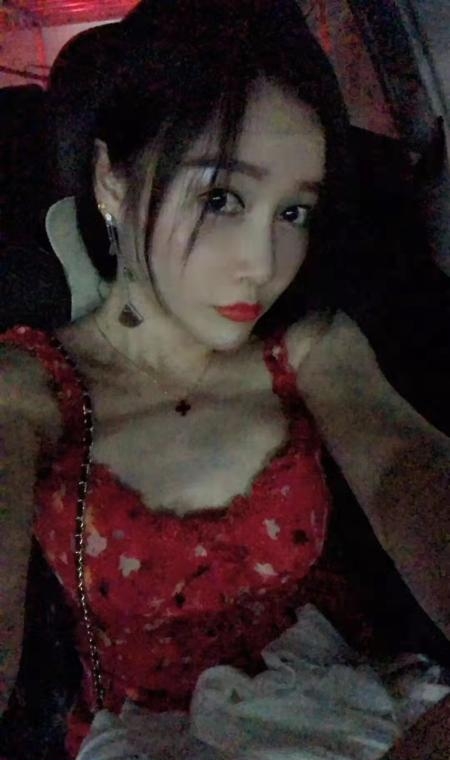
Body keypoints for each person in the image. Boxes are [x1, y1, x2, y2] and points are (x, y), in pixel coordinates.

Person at [0, 1, 449, 758]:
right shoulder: (30, 388)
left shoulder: (308, 348)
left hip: (343, 709)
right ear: (112, 180)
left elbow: (402, 460)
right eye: (221, 198)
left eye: (294, 212)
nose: (263, 263)